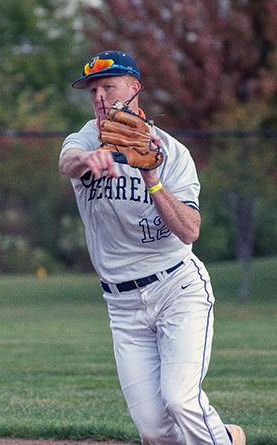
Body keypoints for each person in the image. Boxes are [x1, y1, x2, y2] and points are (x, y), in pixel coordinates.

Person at [58, 50, 246, 444]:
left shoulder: (173, 154)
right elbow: (68, 163)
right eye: (93, 90)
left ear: (134, 88)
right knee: (155, 432)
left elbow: (190, 230)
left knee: (181, 400)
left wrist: (151, 176)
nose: (100, 97)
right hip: (122, 306)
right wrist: (87, 159)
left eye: (109, 86)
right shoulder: (86, 139)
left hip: (177, 289)